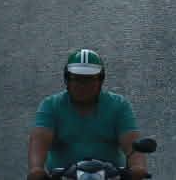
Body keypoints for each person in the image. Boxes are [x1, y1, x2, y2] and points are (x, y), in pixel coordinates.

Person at [27, 50, 149, 180]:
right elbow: (39, 141)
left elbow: (131, 143)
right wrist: (36, 169)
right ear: (67, 80)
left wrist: (138, 167)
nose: (83, 85)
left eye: (90, 79)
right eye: (77, 79)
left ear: (100, 80)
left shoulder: (119, 105)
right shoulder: (51, 105)